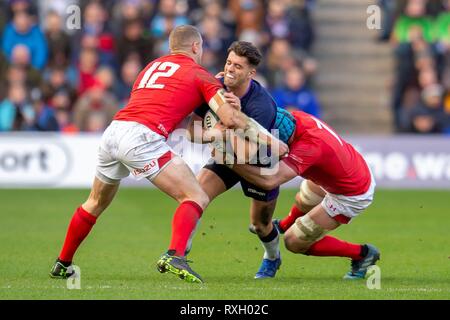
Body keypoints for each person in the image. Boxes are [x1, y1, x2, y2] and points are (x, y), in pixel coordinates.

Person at [49, 25, 287, 284]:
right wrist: (271, 142)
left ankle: (63, 262)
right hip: (142, 138)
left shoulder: (151, 67)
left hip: (114, 131)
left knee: (95, 202)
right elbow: (229, 118)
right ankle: (175, 255)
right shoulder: (201, 74)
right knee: (195, 195)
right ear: (196, 47)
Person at [182, 41, 289, 279]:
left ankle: (272, 257)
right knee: (195, 195)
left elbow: (247, 154)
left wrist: (232, 124)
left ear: (251, 73)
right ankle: (180, 251)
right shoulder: (213, 89)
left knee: (259, 225)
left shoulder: (262, 105)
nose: (230, 69)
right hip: (226, 155)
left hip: (258, 162)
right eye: (229, 63)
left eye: (238, 66)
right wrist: (215, 134)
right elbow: (192, 133)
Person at [233, 110, 380, 279]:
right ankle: (286, 224)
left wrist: (231, 163)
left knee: (294, 242)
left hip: (351, 193)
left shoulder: (308, 148)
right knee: (306, 197)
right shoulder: (293, 118)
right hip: (349, 167)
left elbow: (270, 181)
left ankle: (363, 254)